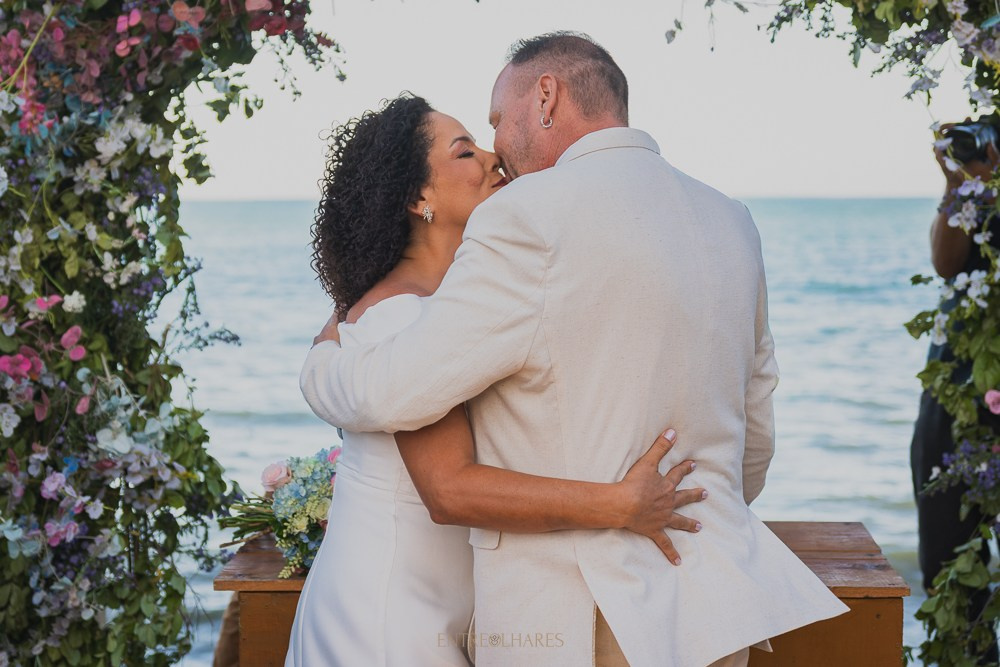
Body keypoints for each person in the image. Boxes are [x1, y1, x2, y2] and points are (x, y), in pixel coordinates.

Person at [301, 32, 848, 667]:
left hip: (582, 620)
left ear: (546, 96)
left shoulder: (527, 216)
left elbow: (391, 392)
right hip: (711, 608)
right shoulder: (731, 220)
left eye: (497, 121)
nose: (496, 148)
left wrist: (321, 366)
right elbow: (755, 427)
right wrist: (694, 521)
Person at [285, 94, 708, 667]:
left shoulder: (441, 303)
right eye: (465, 151)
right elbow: (448, 490)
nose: (492, 158)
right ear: (418, 198)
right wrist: (619, 505)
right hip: (390, 617)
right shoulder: (403, 315)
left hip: (432, 603)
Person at [910, 124, 1000, 663]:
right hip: (958, 390)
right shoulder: (974, 193)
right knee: (948, 555)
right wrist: (961, 186)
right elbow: (946, 266)